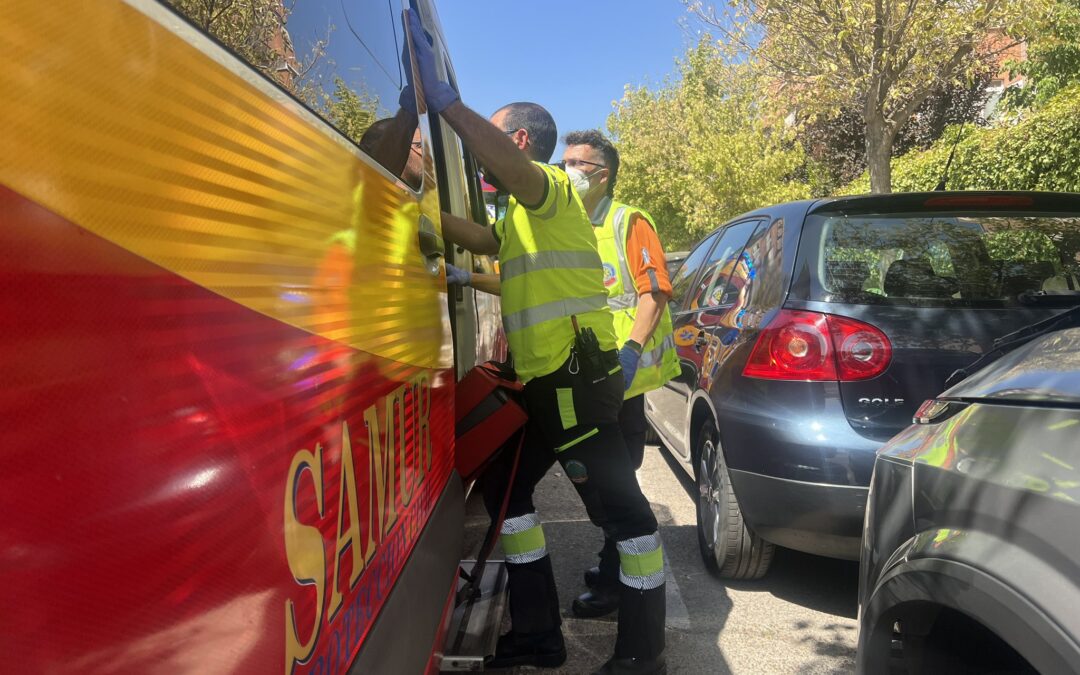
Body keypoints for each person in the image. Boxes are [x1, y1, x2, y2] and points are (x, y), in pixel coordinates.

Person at [404, 11, 665, 674]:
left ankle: (643, 652)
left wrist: (448, 106)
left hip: (576, 384)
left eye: (495, 135)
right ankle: (539, 638)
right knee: (508, 495)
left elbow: (519, 175)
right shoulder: (520, 214)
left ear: (518, 140)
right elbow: (491, 242)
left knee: (627, 519)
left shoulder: (547, 190)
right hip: (547, 385)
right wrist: (428, 219)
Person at [560, 130, 680, 619]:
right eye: (563, 160)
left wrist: (631, 350)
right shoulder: (570, 223)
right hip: (592, 373)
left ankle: (618, 583)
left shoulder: (628, 220)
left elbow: (654, 292)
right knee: (607, 477)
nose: (566, 170)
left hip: (623, 376)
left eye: (576, 163)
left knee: (615, 481)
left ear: (602, 173)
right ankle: (613, 563)